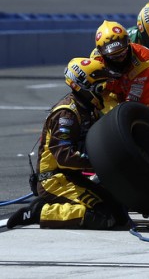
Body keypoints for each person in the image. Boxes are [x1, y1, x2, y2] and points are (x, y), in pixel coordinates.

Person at [7, 58, 126, 230]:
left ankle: (53, 204)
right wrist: (100, 163)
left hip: (72, 177)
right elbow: (64, 158)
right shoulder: (66, 115)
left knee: (119, 213)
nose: (106, 91)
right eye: (102, 87)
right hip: (54, 179)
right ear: (85, 87)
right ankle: (39, 211)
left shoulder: (88, 108)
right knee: (103, 217)